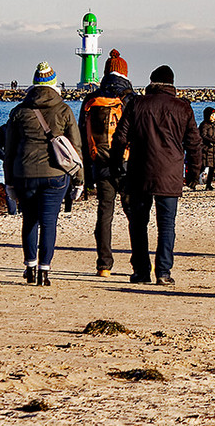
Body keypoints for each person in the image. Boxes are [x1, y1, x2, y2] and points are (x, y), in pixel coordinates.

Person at [109, 65, 203, 285]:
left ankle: (141, 271)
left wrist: (115, 166)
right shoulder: (183, 107)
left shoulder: (136, 104)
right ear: (172, 83)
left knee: (139, 223)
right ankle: (163, 272)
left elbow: (120, 138)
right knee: (167, 225)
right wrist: (194, 172)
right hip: (170, 173)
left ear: (152, 82)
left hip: (139, 172)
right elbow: (194, 143)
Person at [4, 63, 83, 286]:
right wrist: (79, 180)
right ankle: (44, 271)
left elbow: (9, 151)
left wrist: (9, 182)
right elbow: (75, 147)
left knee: (29, 220)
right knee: (49, 222)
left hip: (24, 174)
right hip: (56, 174)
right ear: (53, 84)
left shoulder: (19, 111)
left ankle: (29, 267)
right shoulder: (64, 109)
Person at [79, 50, 133, 277]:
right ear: (124, 72)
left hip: (100, 162)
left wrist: (85, 173)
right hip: (127, 163)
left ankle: (104, 265)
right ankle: (140, 261)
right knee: (134, 214)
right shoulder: (131, 98)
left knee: (104, 213)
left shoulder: (91, 99)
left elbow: (82, 135)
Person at [197, 108, 215, 190]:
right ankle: (195, 181)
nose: (213, 117)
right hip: (205, 148)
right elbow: (203, 136)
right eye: (212, 115)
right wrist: (214, 141)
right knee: (203, 166)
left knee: (212, 167)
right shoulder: (204, 125)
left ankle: (208, 184)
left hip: (213, 149)